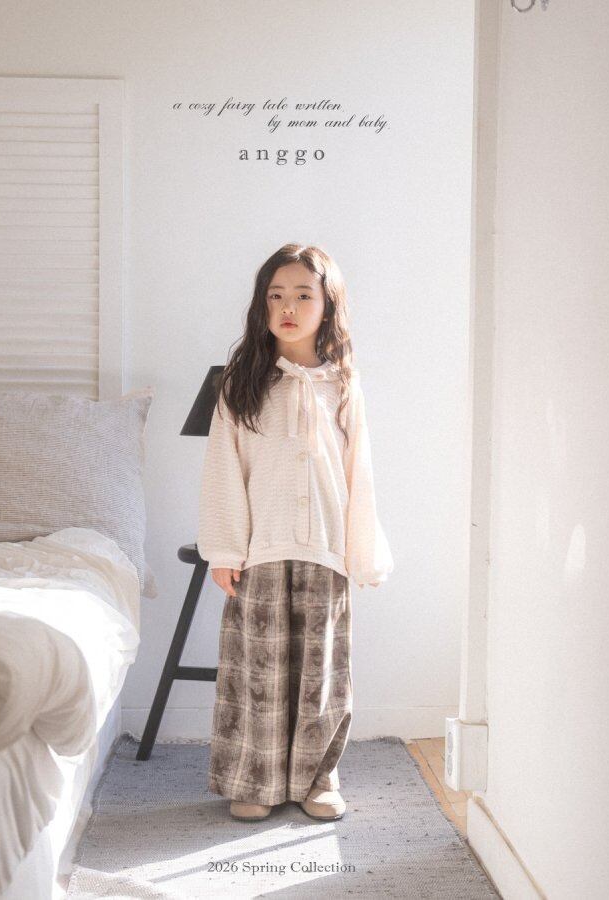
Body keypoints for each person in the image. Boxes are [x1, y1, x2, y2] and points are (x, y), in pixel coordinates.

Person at [197, 242, 394, 823]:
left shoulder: (343, 384)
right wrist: (225, 549)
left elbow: (359, 471)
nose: (288, 307)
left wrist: (361, 553)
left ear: (327, 306)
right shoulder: (241, 383)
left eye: (303, 295)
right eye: (276, 295)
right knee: (257, 670)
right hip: (260, 549)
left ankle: (318, 779)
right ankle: (254, 779)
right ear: (261, 305)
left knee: (321, 674)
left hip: (325, 550)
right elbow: (223, 468)